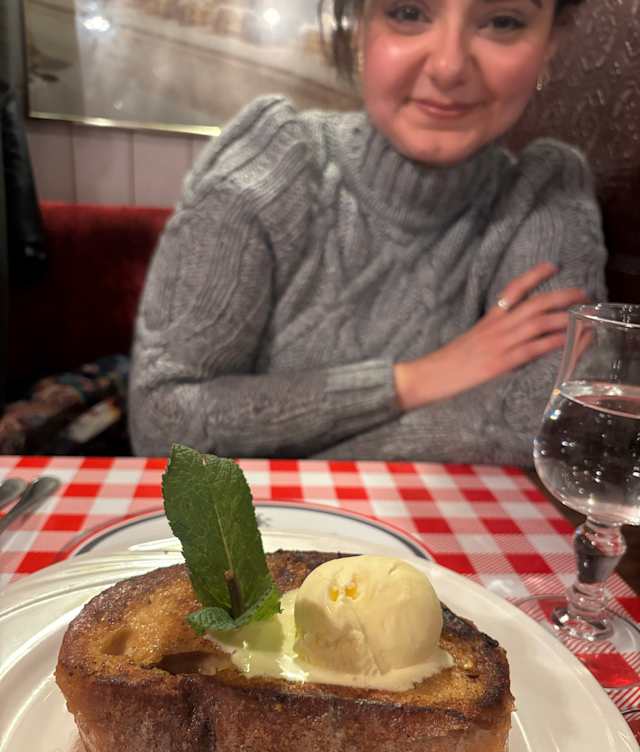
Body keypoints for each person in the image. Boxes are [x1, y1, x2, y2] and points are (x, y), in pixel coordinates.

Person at [129, 0, 606, 465]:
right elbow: (161, 423)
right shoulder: (272, 164)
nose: (448, 67)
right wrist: (414, 380)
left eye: (503, 21)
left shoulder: (545, 193)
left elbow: (545, 425)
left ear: (550, 45)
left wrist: (301, 457)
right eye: (407, 13)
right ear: (358, 26)